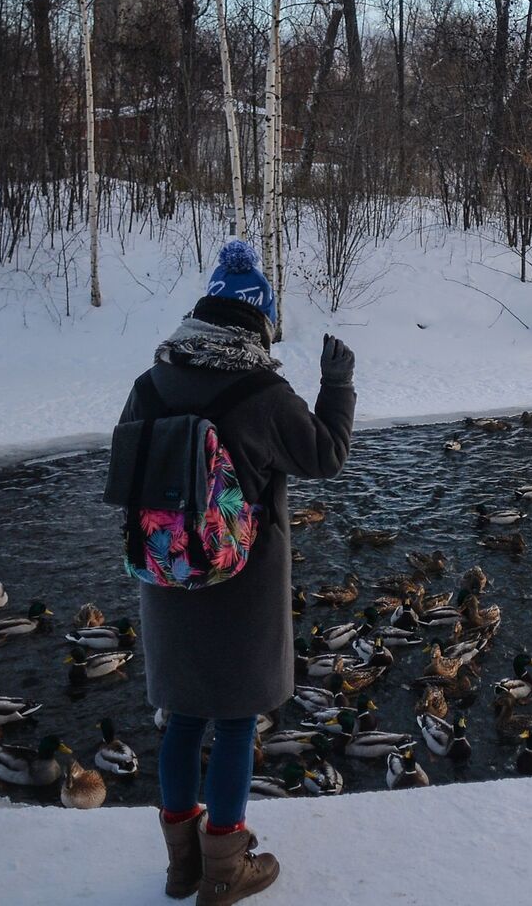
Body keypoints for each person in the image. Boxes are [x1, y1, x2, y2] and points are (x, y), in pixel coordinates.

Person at [122, 240, 355, 905]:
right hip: (240, 582)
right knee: (234, 722)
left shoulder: (150, 383)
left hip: (165, 577)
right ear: (259, 319)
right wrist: (336, 384)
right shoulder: (262, 390)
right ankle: (226, 870)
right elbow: (326, 455)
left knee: (183, 718)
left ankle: (180, 866)